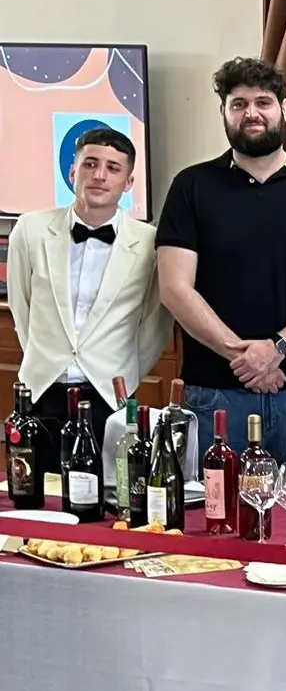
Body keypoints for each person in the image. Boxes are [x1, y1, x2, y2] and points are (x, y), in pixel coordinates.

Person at [156, 57, 286, 458]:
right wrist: (244, 357)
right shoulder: (191, 186)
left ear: (283, 109)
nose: (251, 113)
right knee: (215, 502)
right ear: (223, 112)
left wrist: (277, 348)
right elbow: (174, 288)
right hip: (216, 394)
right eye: (239, 104)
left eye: (263, 102)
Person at [7, 127, 171, 471]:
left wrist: (124, 373)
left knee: (112, 494)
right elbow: (22, 309)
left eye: (113, 168)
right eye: (90, 164)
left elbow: (154, 324)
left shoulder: (150, 243)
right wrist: (46, 360)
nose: (99, 175)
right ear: (72, 172)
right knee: (38, 492)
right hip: (41, 390)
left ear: (128, 182)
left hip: (109, 395)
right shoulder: (30, 229)